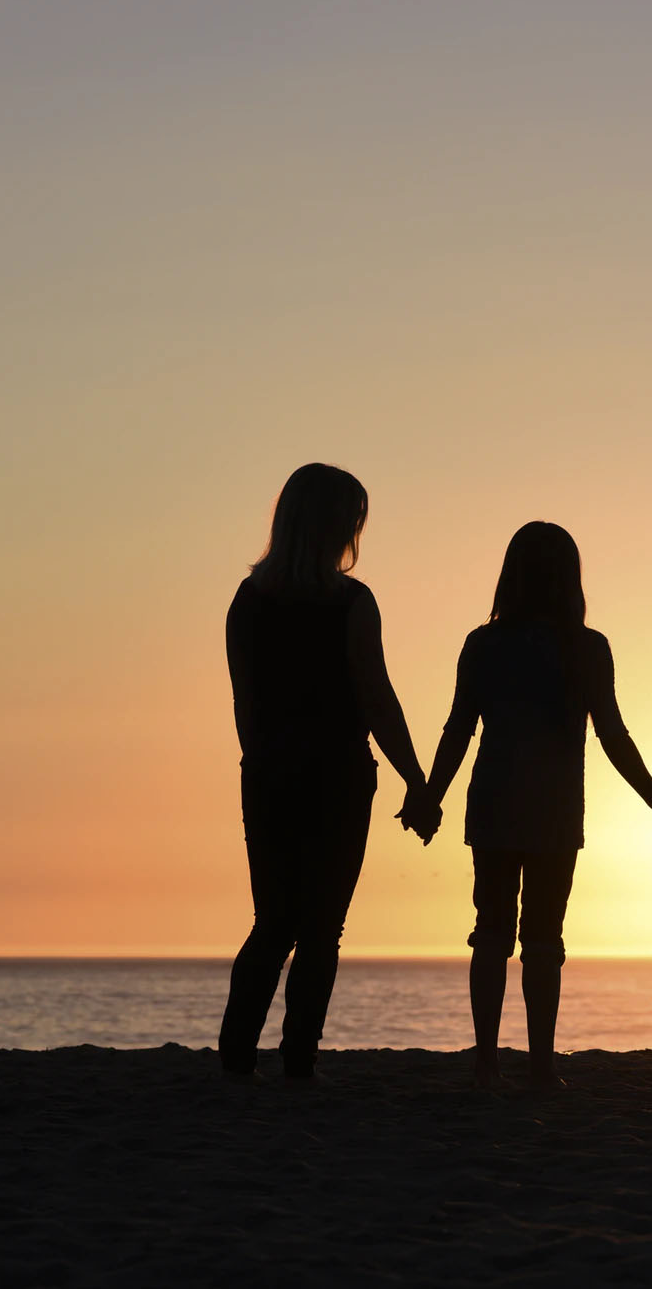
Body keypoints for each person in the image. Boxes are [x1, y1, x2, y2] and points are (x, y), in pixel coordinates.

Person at [408, 522, 652, 1091]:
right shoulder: (586, 647)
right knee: (543, 937)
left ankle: (487, 1061)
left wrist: (431, 795)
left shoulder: (484, 644)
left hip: (494, 802)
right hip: (555, 810)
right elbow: (614, 736)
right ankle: (540, 1064)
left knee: (490, 931)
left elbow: (458, 729)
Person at [217, 462, 431, 1080]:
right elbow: (376, 697)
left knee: (275, 921)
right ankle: (297, 1059)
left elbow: (245, 704)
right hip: (335, 774)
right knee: (318, 929)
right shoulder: (350, 603)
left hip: (272, 774)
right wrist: (415, 780)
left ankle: (239, 1056)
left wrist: (260, 764)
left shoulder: (250, 601)